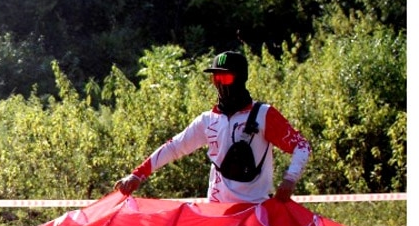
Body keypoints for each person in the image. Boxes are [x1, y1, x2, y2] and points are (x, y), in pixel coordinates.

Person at [115, 50, 311, 205]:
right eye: (215, 78)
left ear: (240, 78)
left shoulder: (264, 115)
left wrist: (290, 179)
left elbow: (302, 146)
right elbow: (174, 147)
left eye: (224, 78)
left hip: (254, 213)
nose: (219, 84)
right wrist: (137, 175)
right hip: (217, 214)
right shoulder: (208, 119)